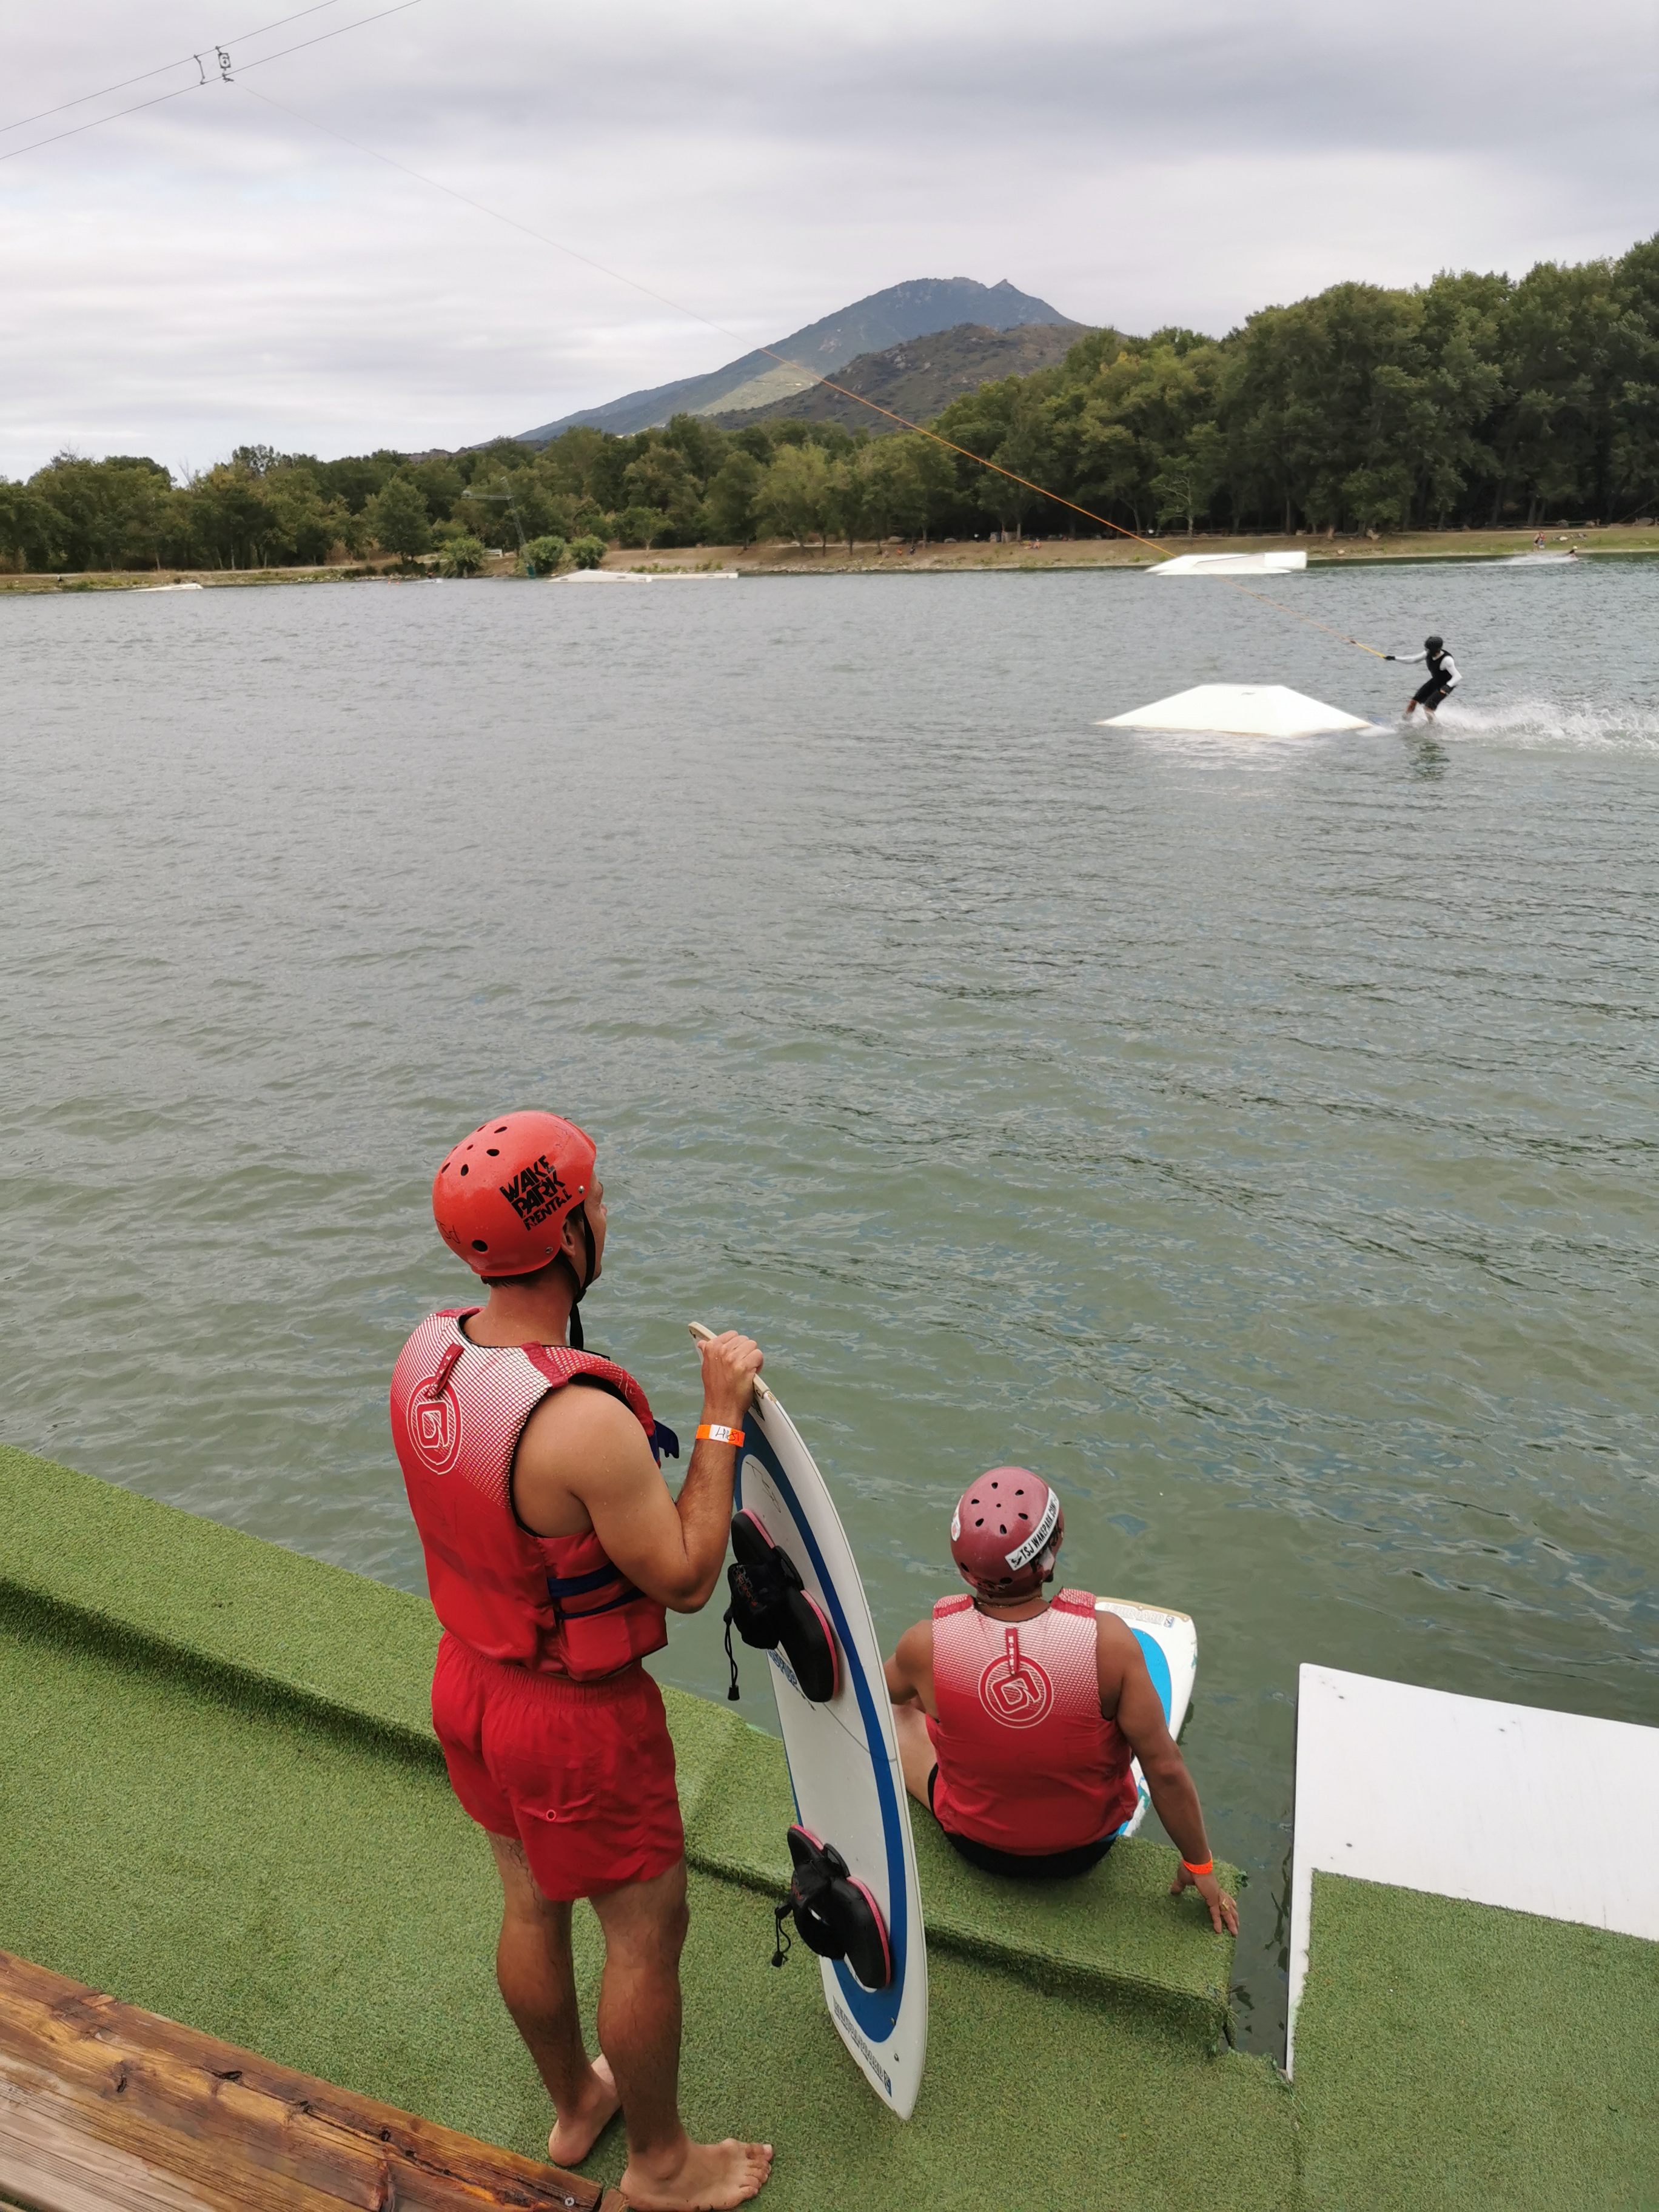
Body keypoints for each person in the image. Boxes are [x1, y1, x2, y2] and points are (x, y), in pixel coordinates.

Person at [389, 1110, 772, 2211]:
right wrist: (717, 1421)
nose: (608, 1211)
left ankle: (575, 2102)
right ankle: (661, 2164)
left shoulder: (425, 1354)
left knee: (526, 1900)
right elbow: (689, 1574)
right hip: (574, 1719)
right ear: (565, 1235)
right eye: (595, 1201)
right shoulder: (585, 1421)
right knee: (647, 1934)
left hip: (467, 1681)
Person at [883, 1469, 1238, 1934]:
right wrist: (1200, 1866)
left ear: (962, 1563)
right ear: (1051, 1553)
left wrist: (955, 1702)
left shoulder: (926, 1645)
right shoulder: (1108, 1643)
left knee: (898, 1708)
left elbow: (876, 1696)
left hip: (974, 1844)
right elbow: (1164, 1768)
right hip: (1087, 1849)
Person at [1386, 633, 1461, 721]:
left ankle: (1434, 728)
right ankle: (1405, 722)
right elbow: (1413, 660)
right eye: (1427, 649)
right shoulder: (1428, 653)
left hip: (1446, 686)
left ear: (1436, 649)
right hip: (1435, 681)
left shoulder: (1447, 660)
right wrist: (1394, 658)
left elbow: (1457, 676)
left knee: (1428, 708)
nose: (1427, 652)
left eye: (1429, 650)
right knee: (1413, 702)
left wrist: (1448, 686)